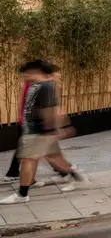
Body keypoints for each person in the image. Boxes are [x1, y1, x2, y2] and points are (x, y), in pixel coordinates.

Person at [2, 61, 85, 205]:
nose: (25, 76)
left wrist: (52, 130)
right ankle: (77, 178)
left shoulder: (45, 86)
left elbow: (49, 109)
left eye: (27, 73)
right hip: (38, 131)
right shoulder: (37, 85)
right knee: (54, 158)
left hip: (37, 131)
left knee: (29, 160)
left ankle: (22, 194)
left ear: (36, 71)